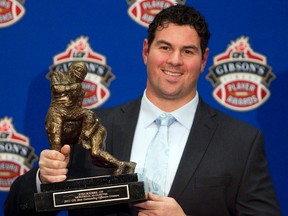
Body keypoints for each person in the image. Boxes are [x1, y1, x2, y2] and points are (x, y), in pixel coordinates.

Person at [4, 4, 281, 216]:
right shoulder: (91, 124)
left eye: (188, 51)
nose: (174, 60)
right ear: (146, 51)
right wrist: (44, 179)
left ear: (204, 59)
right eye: (165, 47)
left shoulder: (241, 142)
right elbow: (16, 209)